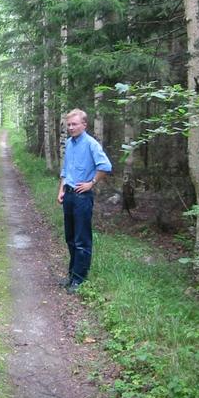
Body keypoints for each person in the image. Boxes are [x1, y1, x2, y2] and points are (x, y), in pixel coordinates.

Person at [57, 109, 112, 294]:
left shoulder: (91, 144)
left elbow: (105, 166)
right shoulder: (70, 143)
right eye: (69, 125)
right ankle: (72, 275)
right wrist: (61, 190)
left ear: (84, 125)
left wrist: (92, 183)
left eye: (74, 124)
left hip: (82, 198)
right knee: (70, 238)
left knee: (82, 240)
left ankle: (80, 280)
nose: (71, 127)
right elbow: (65, 170)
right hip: (69, 195)